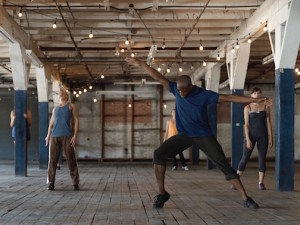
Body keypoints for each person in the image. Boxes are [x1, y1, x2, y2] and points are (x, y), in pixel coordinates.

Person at [125, 57, 272, 209]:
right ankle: (162, 194)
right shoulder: (176, 88)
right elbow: (158, 77)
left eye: (183, 91)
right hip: (184, 136)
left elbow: (229, 97)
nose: (180, 93)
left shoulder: (204, 95)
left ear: (191, 87)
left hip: (203, 136)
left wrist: (255, 101)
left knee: (223, 165)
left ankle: (245, 197)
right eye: (179, 91)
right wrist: (142, 64)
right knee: (158, 154)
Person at [237, 87, 273, 190]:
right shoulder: (247, 107)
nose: (257, 94)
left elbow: (269, 122)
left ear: (261, 94)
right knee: (244, 158)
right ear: (251, 95)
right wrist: (248, 139)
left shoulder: (266, 106)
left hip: (263, 136)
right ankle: (237, 180)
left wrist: (271, 137)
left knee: (262, 159)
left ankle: (261, 183)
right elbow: (246, 125)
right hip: (251, 136)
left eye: (259, 93)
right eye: (255, 93)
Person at [45, 90, 80, 191]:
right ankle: (51, 183)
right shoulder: (55, 109)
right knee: (52, 161)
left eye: (62, 92)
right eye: (59, 92)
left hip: (67, 136)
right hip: (54, 136)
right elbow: (50, 125)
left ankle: (75, 183)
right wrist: (48, 136)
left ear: (66, 96)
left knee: (71, 160)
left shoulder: (71, 106)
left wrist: (75, 135)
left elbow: (77, 120)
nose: (60, 93)